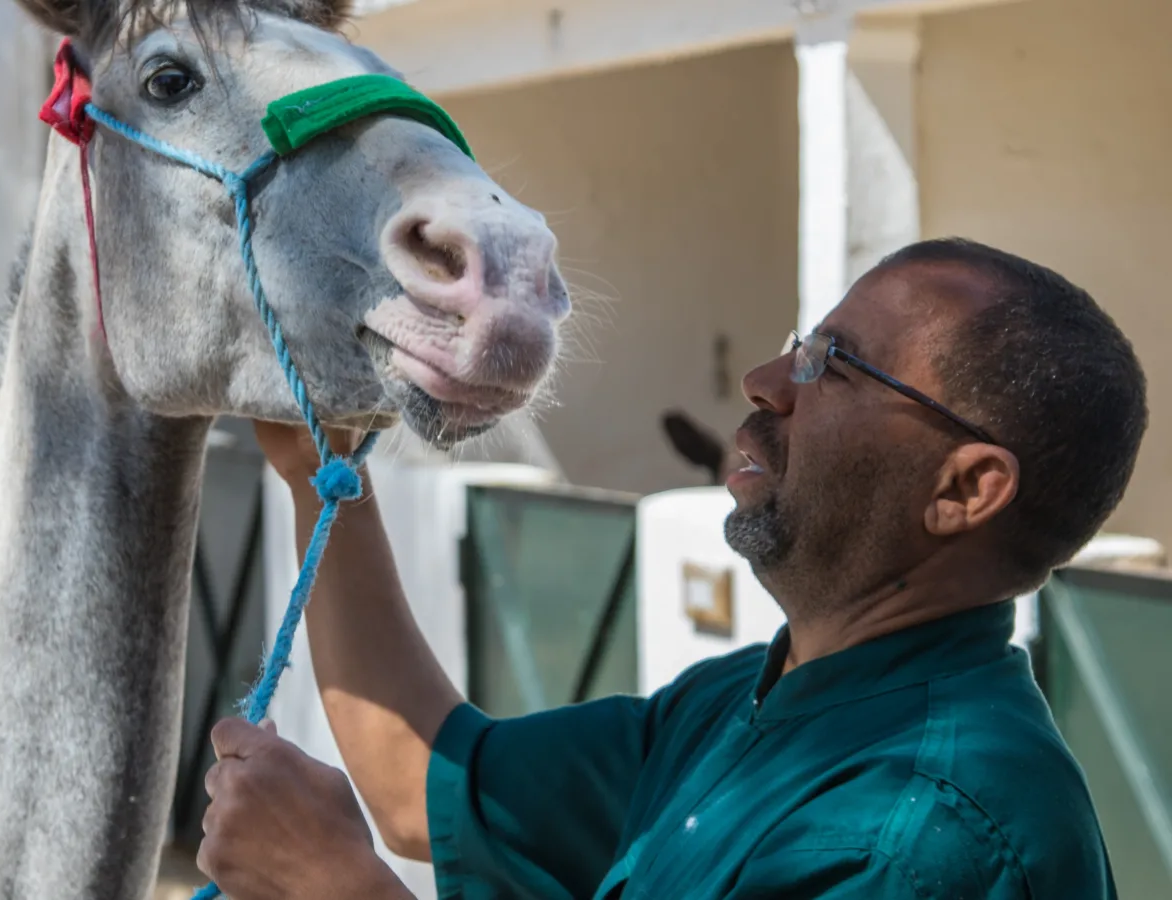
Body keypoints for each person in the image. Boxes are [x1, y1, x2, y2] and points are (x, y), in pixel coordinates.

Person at [197, 238, 1148, 899]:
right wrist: (322, 477)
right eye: (798, 345)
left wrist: (337, 889)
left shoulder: (913, 839)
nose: (766, 383)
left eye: (835, 365)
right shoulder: (752, 703)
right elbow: (421, 785)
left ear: (965, 490)